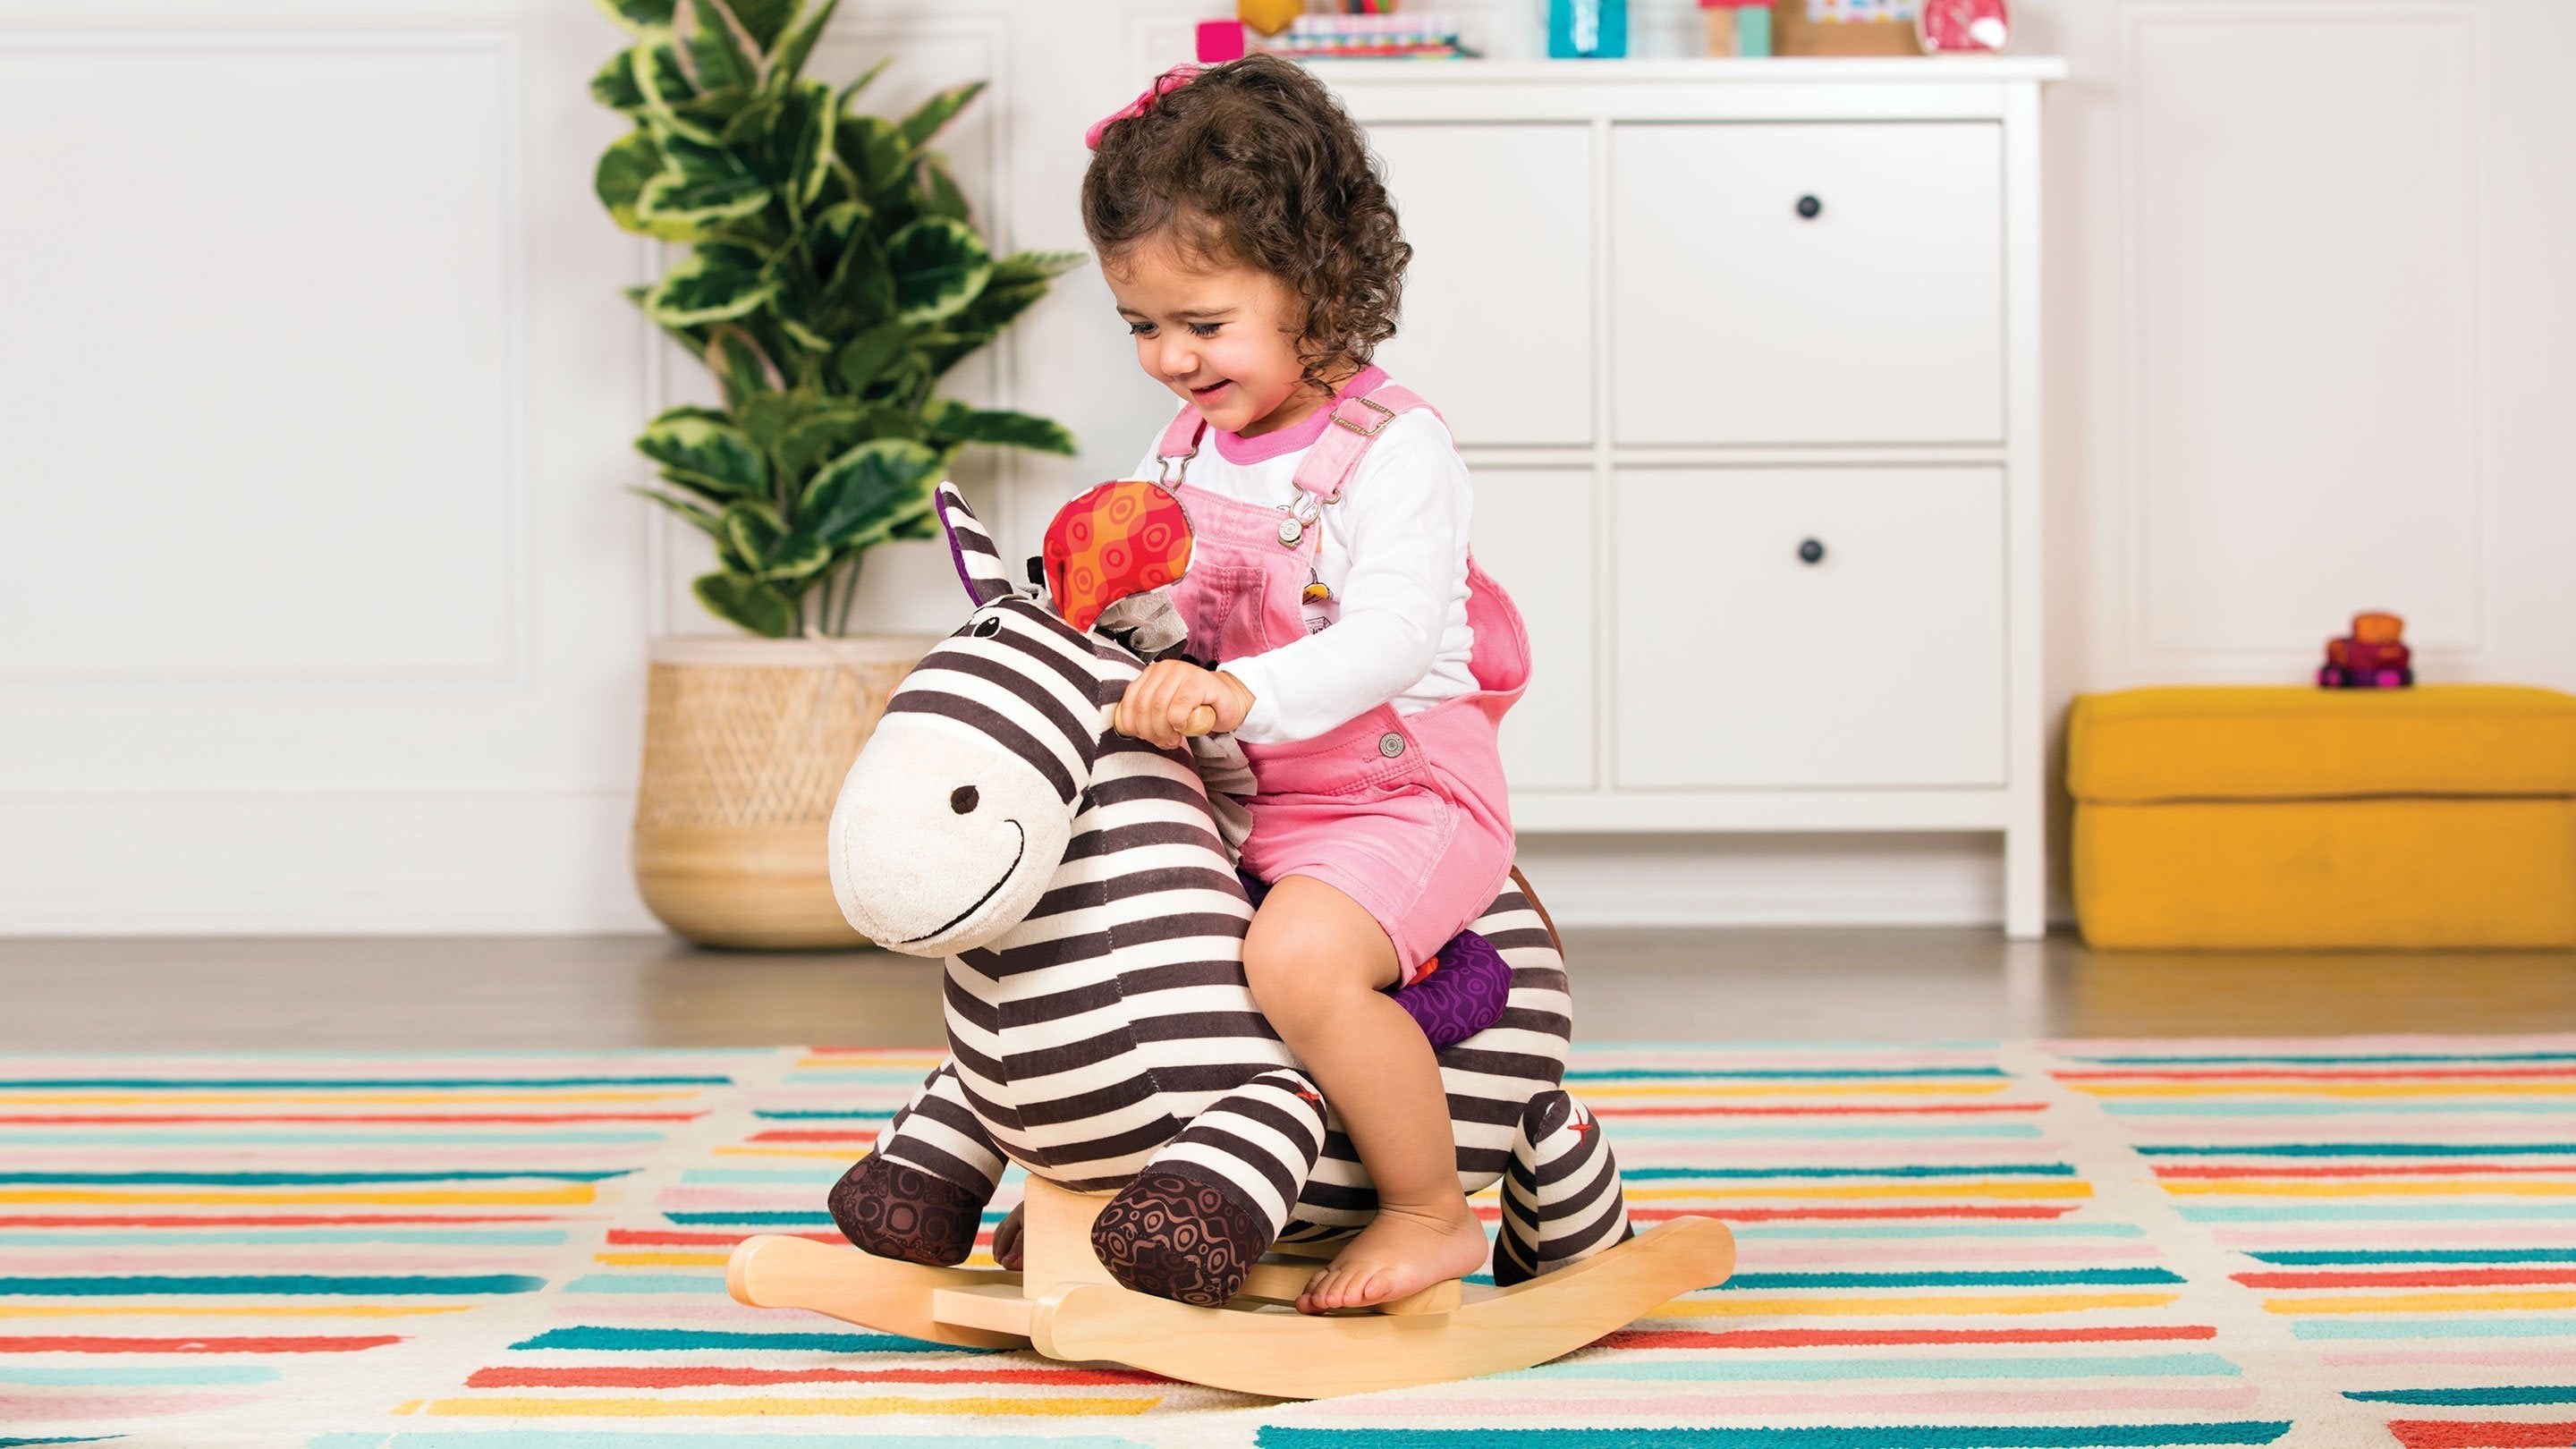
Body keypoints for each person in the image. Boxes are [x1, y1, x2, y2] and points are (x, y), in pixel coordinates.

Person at [1080, 54, 1530, 1315]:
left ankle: (1429, 1207)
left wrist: (1236, 695)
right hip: (1246, 790)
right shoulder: (1185, 445)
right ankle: (1105, 1173)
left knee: (1295, 966)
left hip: (1400, 797)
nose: (1169, 358)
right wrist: (1117, 622)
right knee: (1118, 939)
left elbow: (1388, 640)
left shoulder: (1398, 452)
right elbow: (1166, 596)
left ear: (1314, 282)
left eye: (1202, 323)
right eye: (1141, 326)